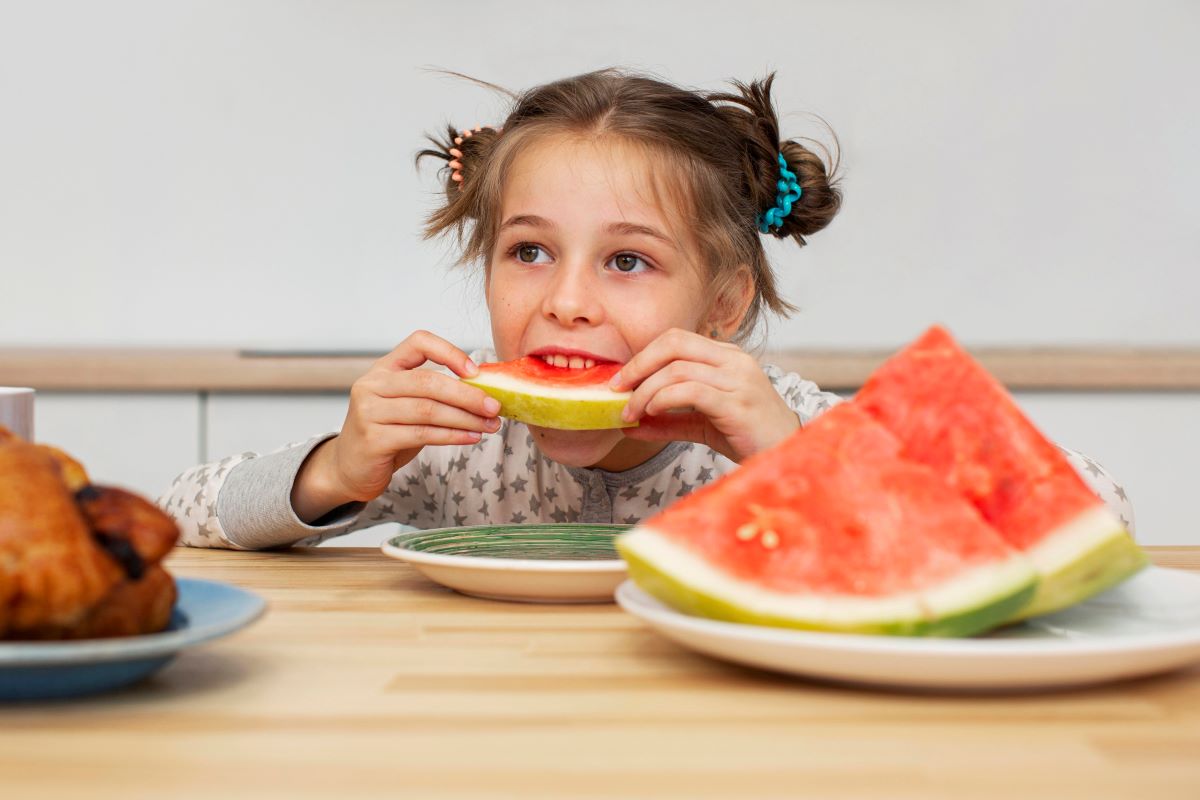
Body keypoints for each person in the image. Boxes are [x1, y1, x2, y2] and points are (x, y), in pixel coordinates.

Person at [159, 69, 1133, 550]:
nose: (567, 301)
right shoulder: (464, 435)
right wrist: (340, 467)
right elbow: (169, 514)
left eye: (627, 259)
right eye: (529, 250)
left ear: (722, 307)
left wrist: (799, 456)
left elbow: (1094, 515)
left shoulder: (777, 418)